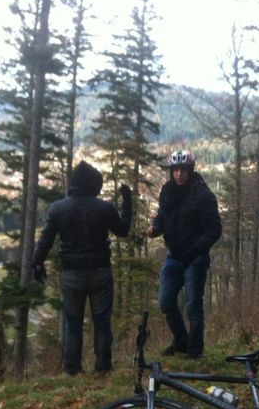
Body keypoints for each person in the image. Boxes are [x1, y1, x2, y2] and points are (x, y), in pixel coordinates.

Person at [32, 161, 131, 375]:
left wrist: (36, 262)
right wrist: (127, 202)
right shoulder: (104, 208)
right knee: (102, 322)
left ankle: (72, 370)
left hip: (71, 273)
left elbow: (46, 239)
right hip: (100, 270)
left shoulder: (58, 208)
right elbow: (123, 230)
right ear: (94, 185)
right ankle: (103, 367)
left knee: (73, 324)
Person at [147, 150, 222, 360]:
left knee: (192, 305)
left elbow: (214, 229)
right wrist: (156, 227)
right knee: (165, 301)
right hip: (174, 257)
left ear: (191, 170)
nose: (179, 174)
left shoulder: (203, 196)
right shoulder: (167, 191)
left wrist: (196, 250)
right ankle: (181, 340)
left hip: (195, 259)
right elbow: (163, 215)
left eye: (183, 170)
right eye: (176, 170)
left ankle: (195, 350)